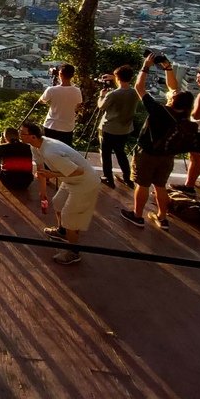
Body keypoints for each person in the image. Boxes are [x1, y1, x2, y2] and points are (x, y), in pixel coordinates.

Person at [120, 54, 193, 230]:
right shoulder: (184, 115)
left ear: (173, 100)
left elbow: (139, 87)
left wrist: (146, 66)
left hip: (148, 153)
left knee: (142, 185)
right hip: (167, 155)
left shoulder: (159, 110)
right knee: (160, 186)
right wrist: (167, 67)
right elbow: (174, 88)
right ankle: (162, 216)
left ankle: (137, 215)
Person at [21, 122, 101, 265]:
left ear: (32, 136)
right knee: (58, 202)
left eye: (23, 133)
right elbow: (40, 170)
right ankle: (62, 231)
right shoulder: (36, 146)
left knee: (69, 216)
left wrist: (52, 174)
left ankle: (73, 252)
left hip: (84, 183)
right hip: (70, 179)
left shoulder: (51, 152)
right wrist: (43, 192)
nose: (20, 135)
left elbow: (78, 170)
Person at [96, 65, 139, 188]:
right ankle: (127, 177)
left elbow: (101, 106)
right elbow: (123, 89)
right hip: (125, 129)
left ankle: (108, 178)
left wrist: (101, 95)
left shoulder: (112, 94)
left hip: (108, 128)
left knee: (105, 154)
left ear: (117, 78)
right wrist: (115, 77)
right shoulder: (135, 92)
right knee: (121, 153)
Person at [39, 64, 81, 145]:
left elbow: (41, 101)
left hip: (51, 125)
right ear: (72, 75)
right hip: (67, 127)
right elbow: (77, 106)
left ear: (60, 74)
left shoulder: (51, 90)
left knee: (48, 151)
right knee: (64, 153)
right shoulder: (77, 91)